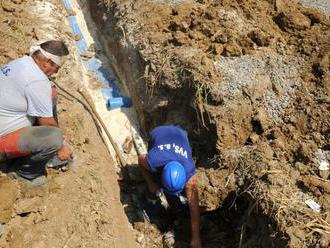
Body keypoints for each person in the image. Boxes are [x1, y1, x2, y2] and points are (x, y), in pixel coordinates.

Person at [0, 40, 72, 186]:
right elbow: (47, 125)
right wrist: (61, 146)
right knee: (53, 139)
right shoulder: (37, 82)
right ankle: (24, 174)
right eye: (56, 67)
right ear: (47, 61)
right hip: (2, 139)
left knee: (50, 93)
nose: (56, 72)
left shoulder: (22, 62)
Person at [138, 125, 202, 248]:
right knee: (153, 188)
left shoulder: (190, 174)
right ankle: (153, 197)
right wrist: (151, 184)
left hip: (180, 134)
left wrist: (196, 238)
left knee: (188, 198)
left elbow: (194, 208)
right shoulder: (153, 161)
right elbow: (140, 161)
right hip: (158, 133)